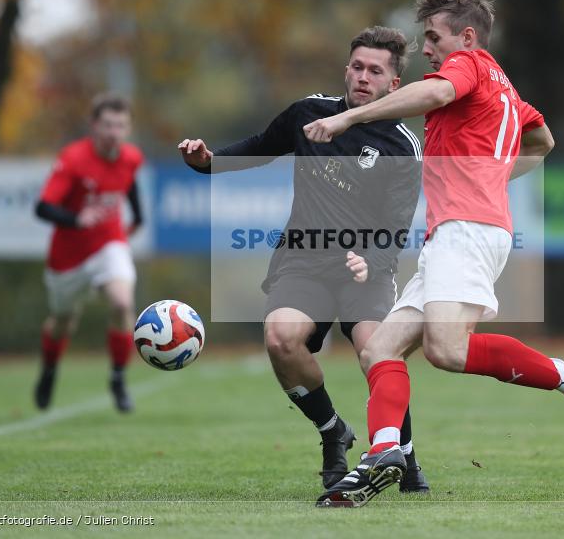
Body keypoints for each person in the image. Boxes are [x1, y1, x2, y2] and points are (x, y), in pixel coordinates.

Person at [304, 0, 564, 507]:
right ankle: (383, 453)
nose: (428, 49)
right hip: (460, 232)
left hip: (468, 231)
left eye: (433, 37)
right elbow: (543, 140)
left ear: (465, 35)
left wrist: (349, 116)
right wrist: (493, 176)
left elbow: (437, 93)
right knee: (381, 348)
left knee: (446, 350)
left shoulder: (471, 66)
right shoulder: (505, 88)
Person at [178, 26, 430, 492]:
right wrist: (209, 161)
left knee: (379, 353)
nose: (363, 77)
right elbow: (259, 145)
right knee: (280, 339)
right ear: (346, 69)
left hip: (364, 269)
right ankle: (334, 433)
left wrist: (371, 260)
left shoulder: (402, 145)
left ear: (394, 85)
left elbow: (397, 224)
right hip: (304, 259)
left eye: (375, 71)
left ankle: (406, 455)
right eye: (357, 66)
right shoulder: (309, 112)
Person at [33, 93, 144, 413]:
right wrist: (76, 219)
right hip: (67, 255)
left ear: (128, 128)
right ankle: (50, 369)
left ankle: (118, 378)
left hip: (109, 242)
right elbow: (42, 207)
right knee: (63, 322)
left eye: (120, 126)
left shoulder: (132, 157)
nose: (114, 132)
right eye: (108, 124)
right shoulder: (73, 159)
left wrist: (137, 218)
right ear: (94, 126)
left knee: (123, 304)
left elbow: (129, 183)